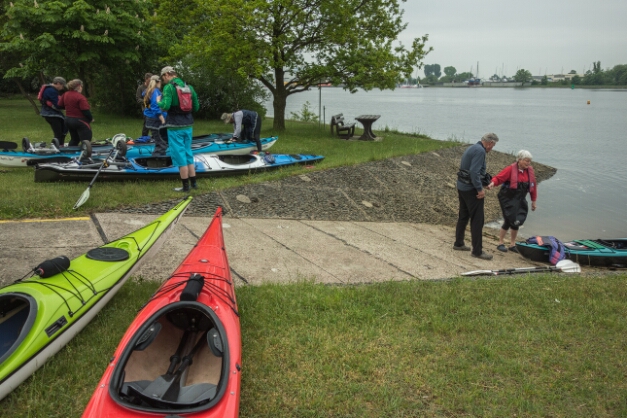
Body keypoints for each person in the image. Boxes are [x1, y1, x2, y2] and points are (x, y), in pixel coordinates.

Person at [453, 132, 499, 260]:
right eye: (493, 145)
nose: (492, 148)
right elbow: (474, 172)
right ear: (490, 143)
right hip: (470, 190)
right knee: (477, 220)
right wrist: (480, 189)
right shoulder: (480, 151)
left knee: (463, 215)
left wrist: (484, 183)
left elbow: (470, 171)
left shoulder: (473, 147)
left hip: (462, 186)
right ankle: (477, 251)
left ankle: (459, 243)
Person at [158, 66, 200, 192]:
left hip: (175, 127)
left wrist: (158, 101)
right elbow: (196, 107)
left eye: (163, 77)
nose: (163, 80)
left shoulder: (169, 87)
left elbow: (165, 106)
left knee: (180, 156)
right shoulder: (189, 87)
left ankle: (185, 187)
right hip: (188, 125)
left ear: (166, 75)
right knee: (188, 153)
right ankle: (194, 184)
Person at [487, 150, 538, 253]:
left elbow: (533, 187)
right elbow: (499, 178)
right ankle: (500, 243)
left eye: (529, 161)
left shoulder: (529, 172)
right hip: (507, 197)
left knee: (517, 221)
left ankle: (512, 244)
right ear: (519, 160)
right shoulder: (510, 169)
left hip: (520, 198)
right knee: (509, 219)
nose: (528, 163)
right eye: (526, 161)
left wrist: (533, 201)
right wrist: (492, 183)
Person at [58, 79, 94, 146]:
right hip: (79, 121)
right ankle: (85, 154)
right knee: (86, 140)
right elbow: (85, 110)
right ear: (79, 86)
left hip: (68, 120)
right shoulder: (80, 97)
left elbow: (59, 105)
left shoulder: (66, 94)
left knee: (74, 139)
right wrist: (91, 118)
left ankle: (70, 152)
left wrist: (69, 108)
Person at [143, 75, 168, 156]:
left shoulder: (148, 91)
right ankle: (156, 162)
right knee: (161, 144)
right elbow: (155, 106)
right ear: (158, 82)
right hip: (156, 120)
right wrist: (162, 119)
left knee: (161, 140)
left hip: (150, 119)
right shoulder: (156, 91)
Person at [39, 77, 67, 145]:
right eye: (62, 85)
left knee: (63, 130)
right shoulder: (51, 91)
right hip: (52, 114)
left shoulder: (48, 89)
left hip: (50, 113)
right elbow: (57, 105)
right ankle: (56, 147)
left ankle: (59, 145)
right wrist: (66, 106)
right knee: (58, 133)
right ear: (58, 83)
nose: (63, 88)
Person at [136, 73, 153, 138]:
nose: (150, 82)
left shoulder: (153, 87)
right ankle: (144, 137)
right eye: (149, 81)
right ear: (145, 79)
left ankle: (154, 137)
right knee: (147, 122)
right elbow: (138, 99)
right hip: (145, 108)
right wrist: (147, 103)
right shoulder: (141, 88)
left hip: (153, 107)